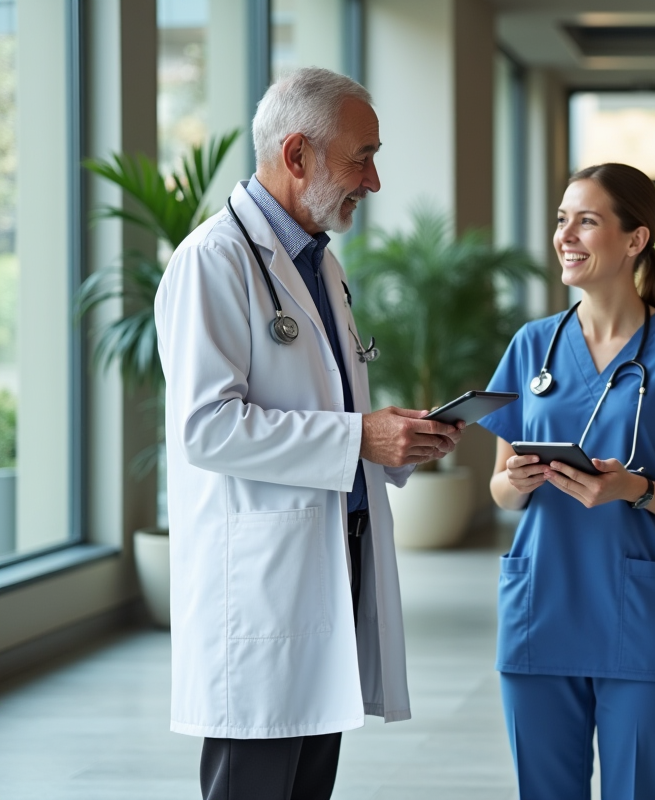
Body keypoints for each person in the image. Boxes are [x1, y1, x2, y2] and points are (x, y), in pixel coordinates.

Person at [155, 67, 464, 800]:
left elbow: (329, 407)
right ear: (297, 155)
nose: (375, 181)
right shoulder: (215, 260)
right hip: (259, 594)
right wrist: (360, 437)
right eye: (364, 157)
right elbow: (206, 428)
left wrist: (398, 439)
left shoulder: (317, 263)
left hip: (328, 572)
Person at [478, 162, 655, 800]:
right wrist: (518, 479)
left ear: (635, 240)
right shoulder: (532, 345)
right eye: (562, 220)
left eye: (587, 221)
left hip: (640, 621)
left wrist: (636, 489)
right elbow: (500, 490)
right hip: (542, 611)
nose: (566, 235)